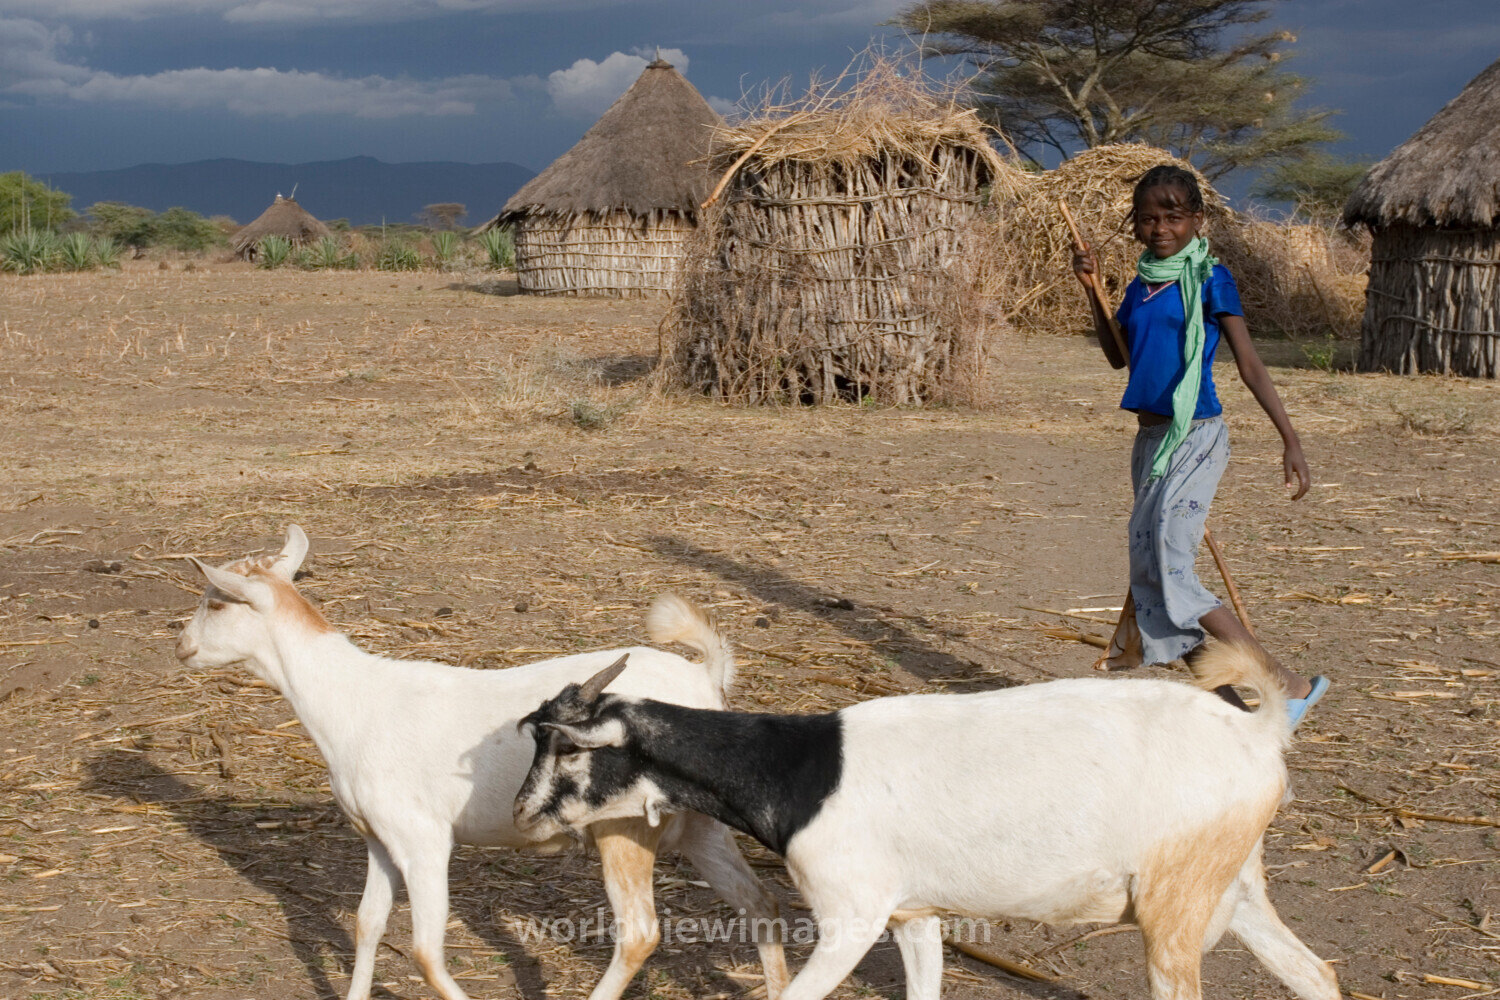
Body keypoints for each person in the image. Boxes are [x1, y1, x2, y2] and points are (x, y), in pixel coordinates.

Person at [1072, 164, 1329, 727]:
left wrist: (1291, 440)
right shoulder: (1141, 285)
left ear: (1197, 220)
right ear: (1136, 226)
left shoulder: (1212, 278)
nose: (1160, 227)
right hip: (1150, 440)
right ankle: (1233, 711)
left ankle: (1286, 684)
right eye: (1147, 219)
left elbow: (1250, 365)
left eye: (1172, 216)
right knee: (1151, 583)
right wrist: (1091, 290)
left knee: (1173, 569)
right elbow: (1120, 356)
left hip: (1196, 437)